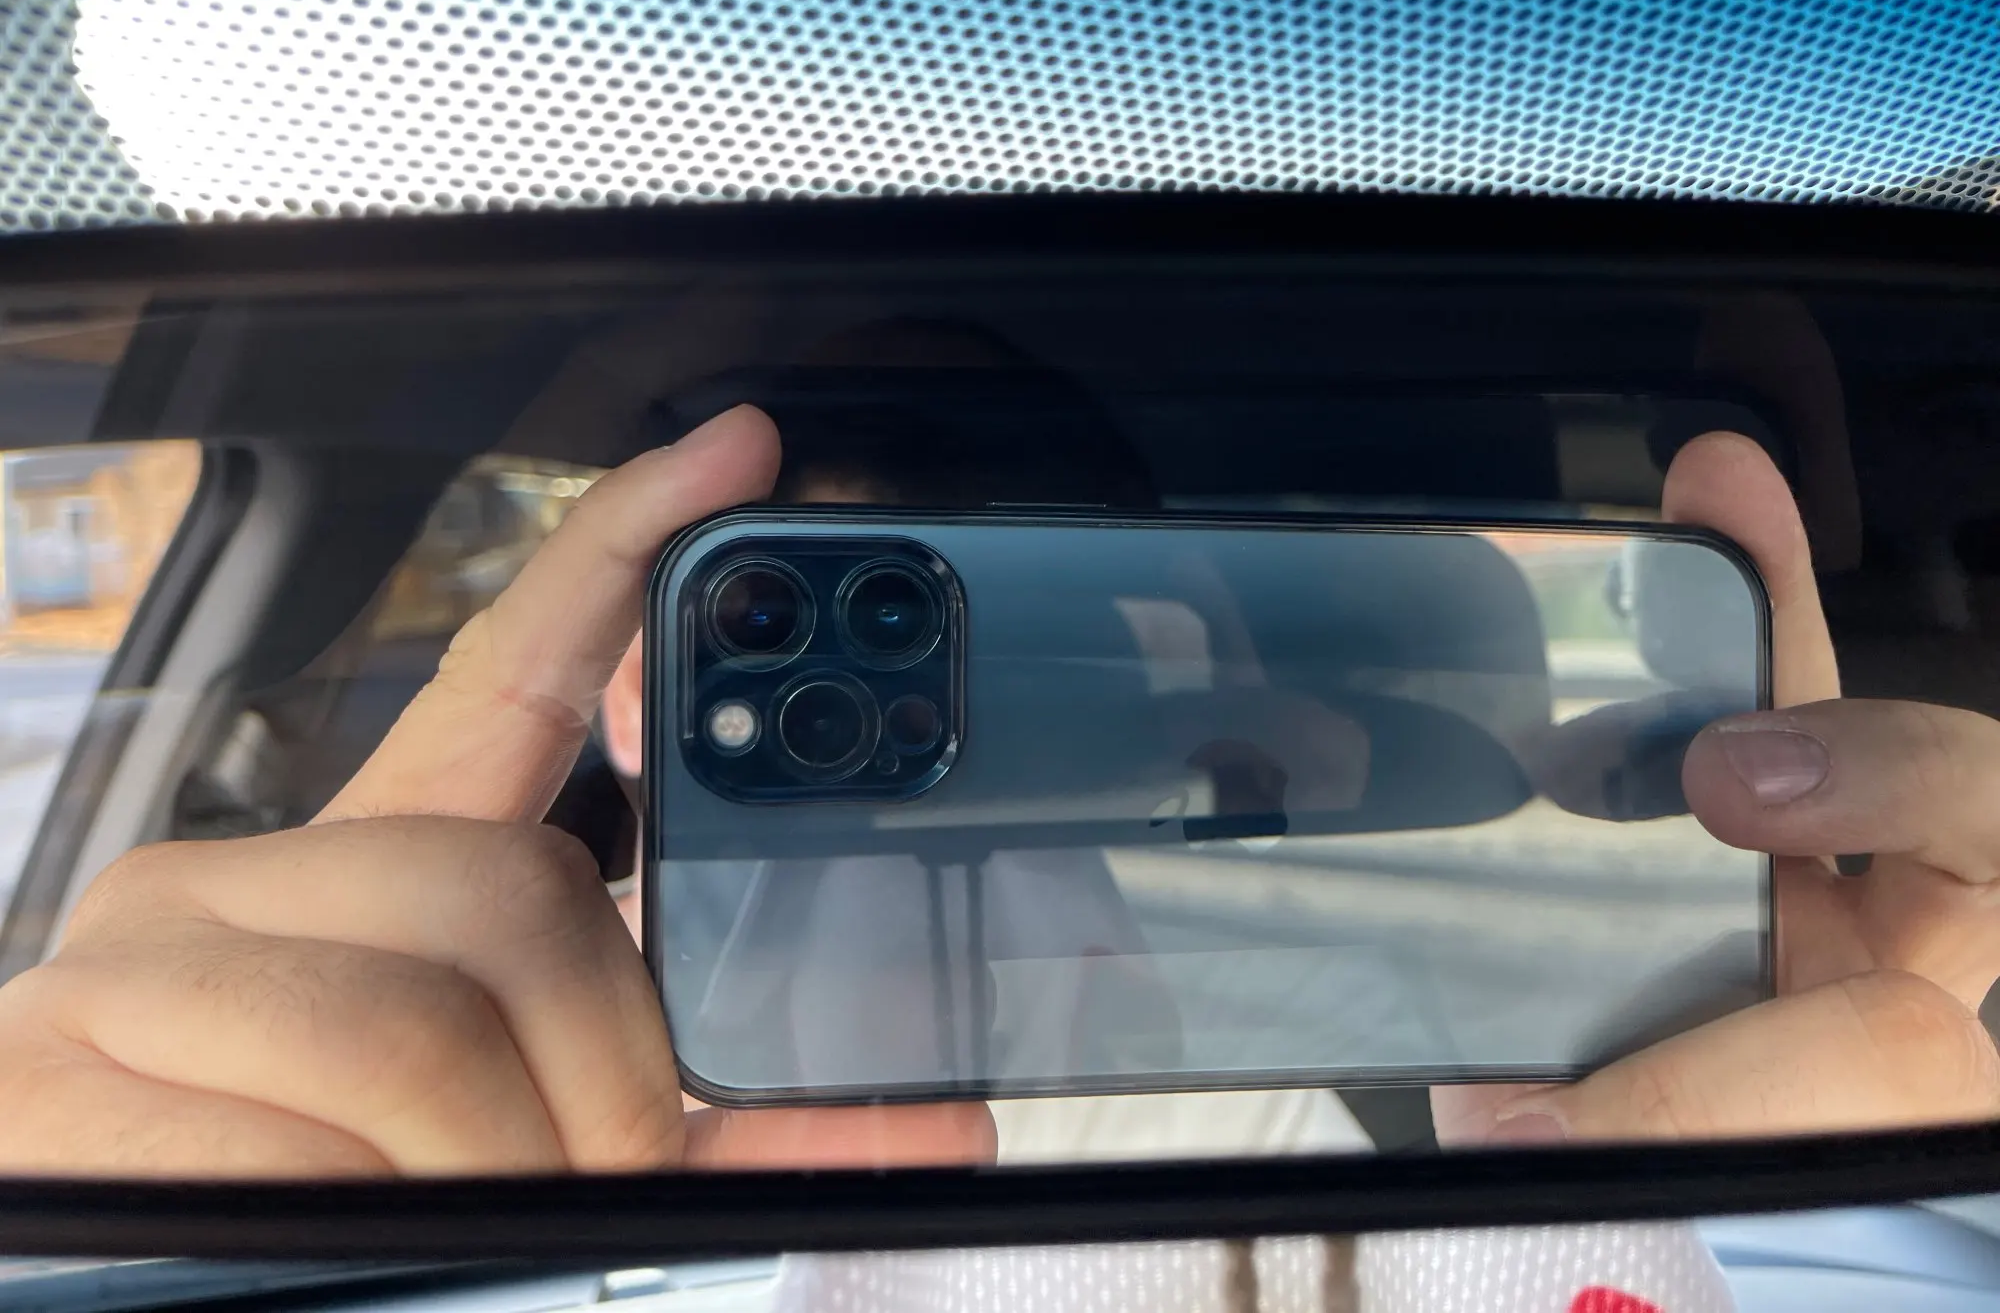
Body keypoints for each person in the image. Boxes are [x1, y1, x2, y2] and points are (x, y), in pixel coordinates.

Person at [0, 390, 1994, 1308]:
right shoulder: (366, 1114)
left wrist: (1652, 1223)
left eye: (1032, 673)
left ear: (1157, 720)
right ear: (623, 692)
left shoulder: (1353, 1076)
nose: (900, 758)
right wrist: (121, 1237)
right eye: (766, 645)